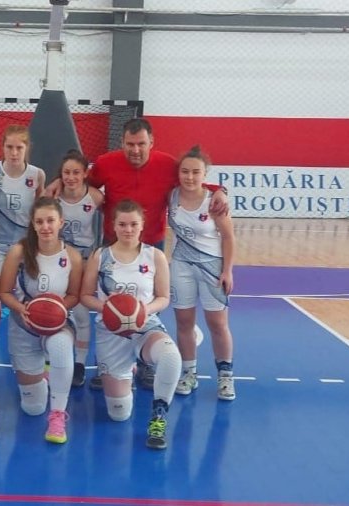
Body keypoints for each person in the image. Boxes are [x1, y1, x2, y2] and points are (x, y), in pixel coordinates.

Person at [47, 117, 226, 390]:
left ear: (151, 142)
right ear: (122, 143)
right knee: (112, 304)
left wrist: (219, 190)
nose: (135, 149)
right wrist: (58, 182)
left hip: (152, 245)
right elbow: (79, 182)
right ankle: (107, 364)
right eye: (130, 144)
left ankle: (145, 364)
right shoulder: (106, 163)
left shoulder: (167, 165)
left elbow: (192, 181)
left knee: (147, 302)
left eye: (141, 144)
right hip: (113, 242)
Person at [80, 199, 182, 450]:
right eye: (123, 224)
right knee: (119, 414)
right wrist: (108, 308)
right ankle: (129, 369)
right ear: (113, 226)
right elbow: (85, 296)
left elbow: (164, 298)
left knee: (171, 357)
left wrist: (142, 310)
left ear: (142, 225)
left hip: (145, 326)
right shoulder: (100, 256)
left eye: (133, 224)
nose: (128, 229)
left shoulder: (155, 256)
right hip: (110, 331)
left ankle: (158, 417)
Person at [0, 197, 83, 444]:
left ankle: (57, 414)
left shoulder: (73, 256)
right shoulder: (19, 252)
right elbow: (4, 292)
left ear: (61, 222)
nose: (45, 226)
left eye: (50, 221)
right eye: (39, 222)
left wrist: (55, 310)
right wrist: (22, 308)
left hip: (57, 323)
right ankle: (42, 375)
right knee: (33, 407)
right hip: (23, 324)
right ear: (33, 224)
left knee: (61, 346)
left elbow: (74, 295)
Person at [169, 146, 236, 401]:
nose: (189, 177)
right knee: (184, 322)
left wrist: (227, 271)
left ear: (204, 174)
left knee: (217, 324)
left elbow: (228, 237)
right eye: (185, 171)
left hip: (212, 268)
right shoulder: (171, 196)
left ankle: (225, 376)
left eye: (195, 172)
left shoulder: (214, 202)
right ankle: (189, 373)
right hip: (181, 266)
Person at [56, 149, 104, 387]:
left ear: (85, 174)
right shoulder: (52, 196)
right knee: (55, 311)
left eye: (76, 172)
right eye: (66, 172)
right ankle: (50, 361)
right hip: (58, 262)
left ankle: (80, 364)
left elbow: (110, 221)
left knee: (83, 314)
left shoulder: (95, 197)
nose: (71, 177)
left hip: (84, 261)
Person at [0, 124, 46, 272]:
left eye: (19, 148)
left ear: (27, 148)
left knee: (21, 285)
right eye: (9, 147)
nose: (14, 153)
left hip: (23, 244)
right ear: (3, 147)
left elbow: (39, 210)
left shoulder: (37, 175)